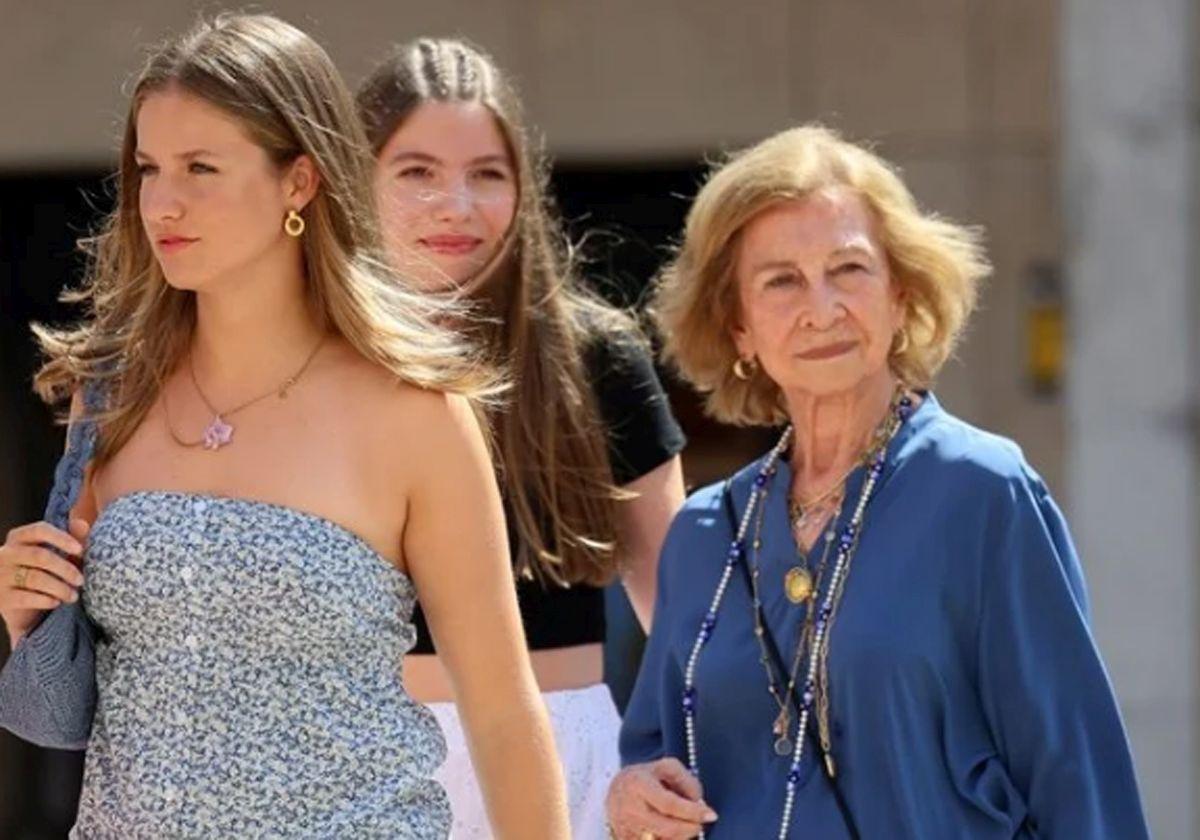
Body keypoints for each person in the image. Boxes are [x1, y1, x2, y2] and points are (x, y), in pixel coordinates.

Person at [0, 14, 569, 838]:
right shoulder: (111, 394)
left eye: (201, 167)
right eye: (149, 168)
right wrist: (28, 600)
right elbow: (93, 677)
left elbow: (504, 715)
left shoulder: (417, 413)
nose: (163, 201)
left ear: (298, 182)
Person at [607, 125, 1149, 839]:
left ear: (901, 295)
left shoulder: (983, 494)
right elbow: (656, 754)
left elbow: (1078, 777)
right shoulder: (704, 535)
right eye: (781, 281)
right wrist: (632, 797)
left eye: (850, 270)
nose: (821, 308)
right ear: (738, 326)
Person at [357, 38, 687, 838]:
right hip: (353, 766)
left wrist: (664, 761)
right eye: (418, 172)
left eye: (487, 174)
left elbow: (683, 621)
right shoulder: (309, 365)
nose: (456, 204)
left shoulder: (595, 356)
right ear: (354, 178)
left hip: (568, 761)